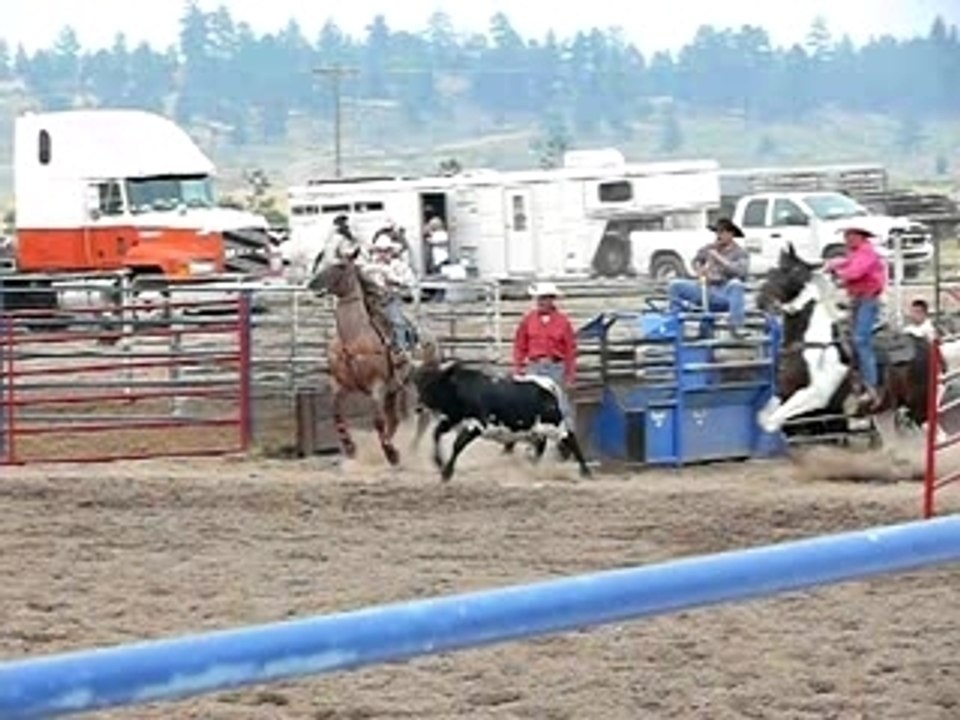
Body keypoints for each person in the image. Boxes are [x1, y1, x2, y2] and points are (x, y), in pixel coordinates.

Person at [824, 226, 888, 409]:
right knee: (849, 339)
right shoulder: (857, 253)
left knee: (861, 340)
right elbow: (848, 263)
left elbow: (855, 272)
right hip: (859, 300)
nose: (846, 240)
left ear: (860, 237)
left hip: (867, 300)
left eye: (849, 236)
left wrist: (838, 272)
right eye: (845, 236)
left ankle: (871, 384)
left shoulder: (866, 254)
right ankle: (859, 378)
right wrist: (835, 264)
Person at [667, 218, 749, 335]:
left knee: (736, 285)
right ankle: (674, 326)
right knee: (675, 286)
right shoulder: (709, 248)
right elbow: (695, 261)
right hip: (706, 288)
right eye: (717, 232)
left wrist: (719, 258)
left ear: (731, 234)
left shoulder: (740, 253)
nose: (719, 235)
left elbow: (741, 272)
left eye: (722, 232)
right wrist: (699, 270)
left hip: (724, 292)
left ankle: (736, 326)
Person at [513, 281, 578, 425]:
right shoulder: (528, 320)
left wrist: (570, 375)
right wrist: (518, 367)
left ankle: (567, 437)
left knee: (561, 404)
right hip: (535, 366)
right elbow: (520, 345)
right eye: (539, 298)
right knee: (529, 404)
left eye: (544, 298)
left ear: (551, 300)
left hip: (555, 367)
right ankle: (532, 439)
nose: (541, 302)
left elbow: (570, 350)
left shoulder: (563, 322)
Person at [362, 234, 418, 353]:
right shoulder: (368, 267)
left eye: (386, 251)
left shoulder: (400, 266)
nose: (382, 254)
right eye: (379, 251)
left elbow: (411, 283)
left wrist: (395, 280)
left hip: (391, 299)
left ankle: (402, 350)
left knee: (396, 320)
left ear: (391, 252)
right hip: (371, 301)